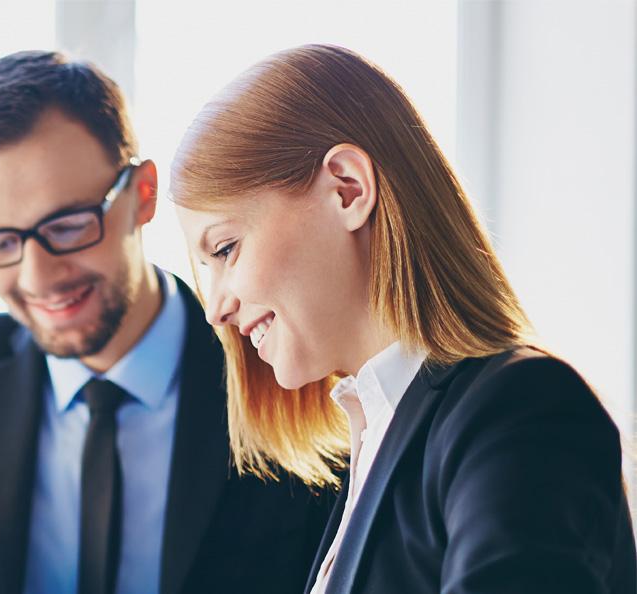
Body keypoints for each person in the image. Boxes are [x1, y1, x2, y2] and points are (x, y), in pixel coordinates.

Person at [0, 50, 333, 594]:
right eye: (0, 241)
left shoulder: (281, 365)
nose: (38, 277)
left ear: (142, 195)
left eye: (66, 225)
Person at [171, 43, 636, 594]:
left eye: (225, 249)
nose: (215, 308)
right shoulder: (370, 445)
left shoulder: (521, 407)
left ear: (349, 188)